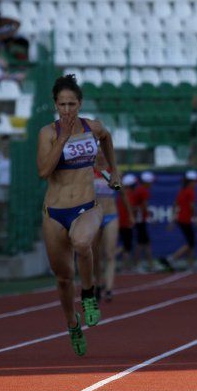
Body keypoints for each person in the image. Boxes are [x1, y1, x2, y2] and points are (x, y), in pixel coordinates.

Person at [36, 74, 121, 356]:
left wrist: (114, 170)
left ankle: (88, 295)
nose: (68, 110)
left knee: (83, 243)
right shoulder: (48, 133)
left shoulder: (92, 128)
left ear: (80, 104)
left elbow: (107, 137)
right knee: (62, 278)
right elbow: (43, 172)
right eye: (62, 104)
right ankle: (72, 324)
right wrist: (61, 140)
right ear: (55, 105)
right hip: (54, 212)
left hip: (86, 206)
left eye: (72, 104)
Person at [92, 152, 120, 302]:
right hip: (94, 216)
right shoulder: (88, 171)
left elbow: (116, 186)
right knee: (95, 256)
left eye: (104, 152)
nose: (101, 155)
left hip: (111, 214)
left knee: (109, 253)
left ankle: (109, 289)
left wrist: (102, 170)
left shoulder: (113, 170)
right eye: (98, 153)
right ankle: (98, 283)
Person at [167, 170, 197, 272]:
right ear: (190, 182)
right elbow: (192, 206)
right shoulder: (190, 191)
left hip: (181, 219)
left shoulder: (182, 191)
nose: (196, 183)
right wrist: (196, 218)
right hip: (185, 219)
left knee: (191, 243)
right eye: (194, 181)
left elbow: (175, 205)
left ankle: (190, 265)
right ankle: (173, 258)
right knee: (191, 243)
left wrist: (173, 220)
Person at [131, 171, 159, 272]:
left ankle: (147, 264)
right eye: (151, 181)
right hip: (140, 219)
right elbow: (145, 206)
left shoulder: (140, 189)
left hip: (139, 219)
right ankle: (138, 265)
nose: (152, 183)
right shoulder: (143, 190)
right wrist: (151, 217)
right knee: (142, 242)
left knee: (144, 242)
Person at [118, 174, 137, 270]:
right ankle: (125, 267)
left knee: (125, 244)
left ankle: (125, 266)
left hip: (120, 221)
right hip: (126, 222)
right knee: (127, 245)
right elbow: (131, 207)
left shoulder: (121, 192)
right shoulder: (129, 193)